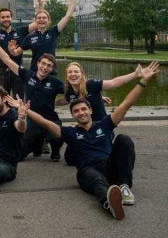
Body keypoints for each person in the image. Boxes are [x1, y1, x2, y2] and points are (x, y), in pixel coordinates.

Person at [21, 61, 159, 220]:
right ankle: (109, 201)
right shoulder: (71, 132)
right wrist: (27, 111)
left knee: (124, 139)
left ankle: (124, 187)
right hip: (89, 170)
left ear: (91, 110)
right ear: (73, 116)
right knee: (95, 180)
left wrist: (142, 81)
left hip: (109, 164)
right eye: (76, 111)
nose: (80, 113)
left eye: (83, 109)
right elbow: (46, 123)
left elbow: (126, 103)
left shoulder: (105, 124)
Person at [0, 32, 65, 161]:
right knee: (18, 155)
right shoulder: (27, 75)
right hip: (32, 122)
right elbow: (6, 60)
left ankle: (55, 150)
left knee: (58, 136)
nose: (45, 67)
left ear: (52, 69)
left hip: (50, 120)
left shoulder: (55, 82)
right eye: (43, 63)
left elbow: (73, 91)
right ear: (38, 63)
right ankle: (36, 144)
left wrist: (96, 96)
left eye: (49, 66)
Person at [56, 62, 144, 165]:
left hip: (101, 127)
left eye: (76, 71)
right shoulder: (70, 91)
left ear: (82, 75)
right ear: (66, 76)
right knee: (70, 160)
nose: (73, 74)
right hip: (84, 129)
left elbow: (113, 83)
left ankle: (112, 154)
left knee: (101, 156)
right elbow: (65, 100)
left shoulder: (91, 85)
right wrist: (47, 102)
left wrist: (135, 74)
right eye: (70, 72)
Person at [9, 0, 79, 76]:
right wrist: (11, 50)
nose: (41, 19)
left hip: (51, 72)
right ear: (35, 21)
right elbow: (16, 53)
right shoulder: (30, 37)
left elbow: (68, 15)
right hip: (35, 73)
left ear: (48, 21)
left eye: (44, 18)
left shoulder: (53, 32)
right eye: (39, 18)